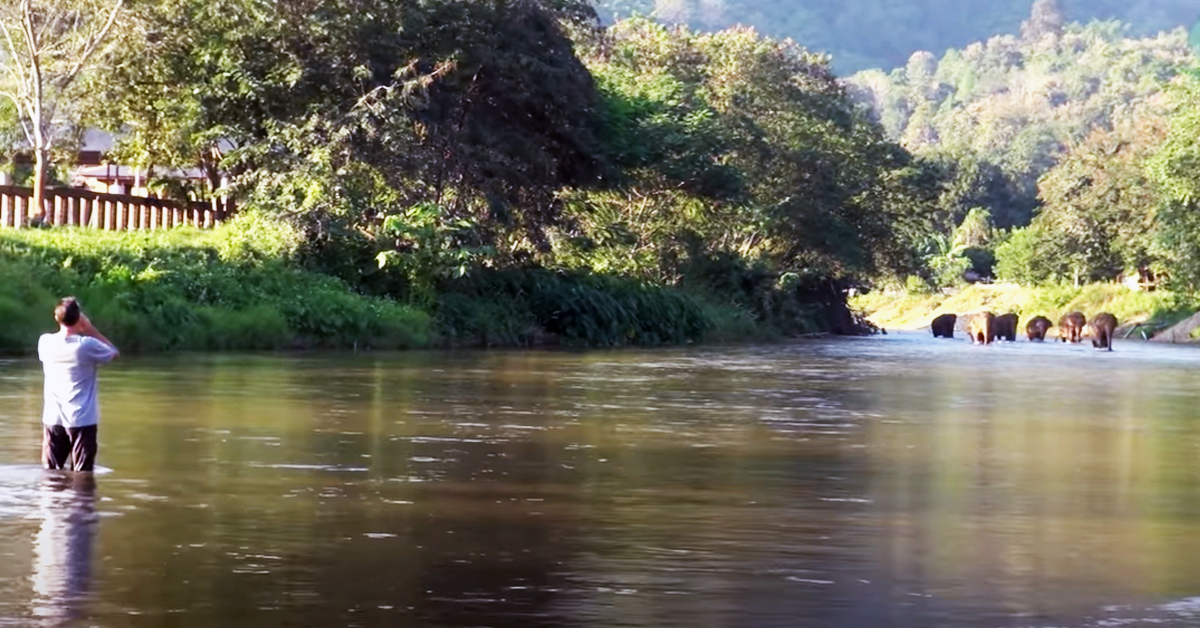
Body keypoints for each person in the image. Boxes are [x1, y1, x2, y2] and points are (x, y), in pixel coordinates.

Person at [38, 298, 119, 472]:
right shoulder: (86, 346)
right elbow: (113, 353)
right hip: (82, 419)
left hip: (53, 417)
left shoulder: (44, 342)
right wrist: (89, 329)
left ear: (56, 317)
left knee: (51, 473)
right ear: (79, 318)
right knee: (82, 475)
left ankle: (51, 499)